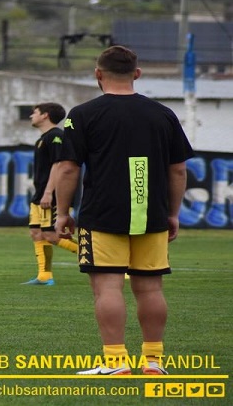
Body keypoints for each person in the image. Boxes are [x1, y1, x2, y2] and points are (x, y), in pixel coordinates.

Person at [54, 46, 193, 375]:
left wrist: (62, 212)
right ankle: (154, 361)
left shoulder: (83, 114)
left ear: (98, 75)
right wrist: (172, 214)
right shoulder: (163, 114)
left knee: (108, 287)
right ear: (137, 74)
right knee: (150, 287)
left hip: (103, 214)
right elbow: (178, 171)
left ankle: (116, 363)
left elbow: (69, 168)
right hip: (152, 214)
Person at [23, 102, 78, 286]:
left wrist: (49, 193)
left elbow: (59, 164)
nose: (32, 115)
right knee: (36, 233)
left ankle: (98, 256)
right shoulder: (43, 138)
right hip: (39, 194)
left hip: (51, 195)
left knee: (52, 236)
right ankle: (44, 276)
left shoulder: (56, 136)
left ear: (45, 115)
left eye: (35, 112)